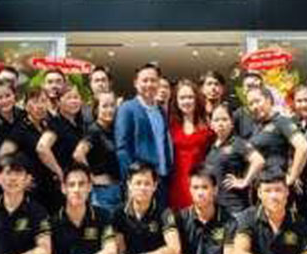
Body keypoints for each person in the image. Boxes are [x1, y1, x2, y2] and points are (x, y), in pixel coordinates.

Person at [114, 64, 171, 198]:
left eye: (153, 80)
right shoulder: (127, 108)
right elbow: (122, 149)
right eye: (145, 80)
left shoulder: (161, 111)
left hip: (161, 179)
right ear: (136, 83)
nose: (149, 84)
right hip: (140, 184)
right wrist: (131, 181)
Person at [244, 85, 307, 201]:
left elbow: (303, 147)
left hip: (277, 188)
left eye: (257, 101)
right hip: (261, 187)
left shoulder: (282, 122)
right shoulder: (258, 126)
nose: (254, 106)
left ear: (269, 100)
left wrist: (292, 177)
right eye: (251, 104)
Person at [202, 103, 263, 217]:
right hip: (217, 208)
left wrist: (245, 181)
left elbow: (258, 160)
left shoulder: (238, 143)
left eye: (224, 119)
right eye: (216, 120)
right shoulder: (211, 146)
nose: (220, 124)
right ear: (211, 124)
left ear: (232, 123)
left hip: (236, 208)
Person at [167, 79, 213, 210]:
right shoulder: (170, 125)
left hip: (199, 185)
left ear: (196, 99)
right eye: (182, 98)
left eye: (190, 97)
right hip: (176, 184)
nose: (186, 101)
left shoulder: (207, 126)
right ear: (176, 101)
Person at [75, 95, 123, 210]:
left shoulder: (112, 129)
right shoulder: (94, 131)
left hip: (117, 188)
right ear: (96, 110)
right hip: (102, 192)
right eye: (105, 106)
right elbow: (78, 154)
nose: (109, 110)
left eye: (112, 106)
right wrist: (92, 178)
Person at [38, 85, 84, 201]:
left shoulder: (80, 123)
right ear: (58, 102)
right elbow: (42, 148)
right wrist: (59, 172)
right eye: (69, 98)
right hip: (62, 186)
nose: (74, 101)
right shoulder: (56, 123)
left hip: (79, 183)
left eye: (76, 97)